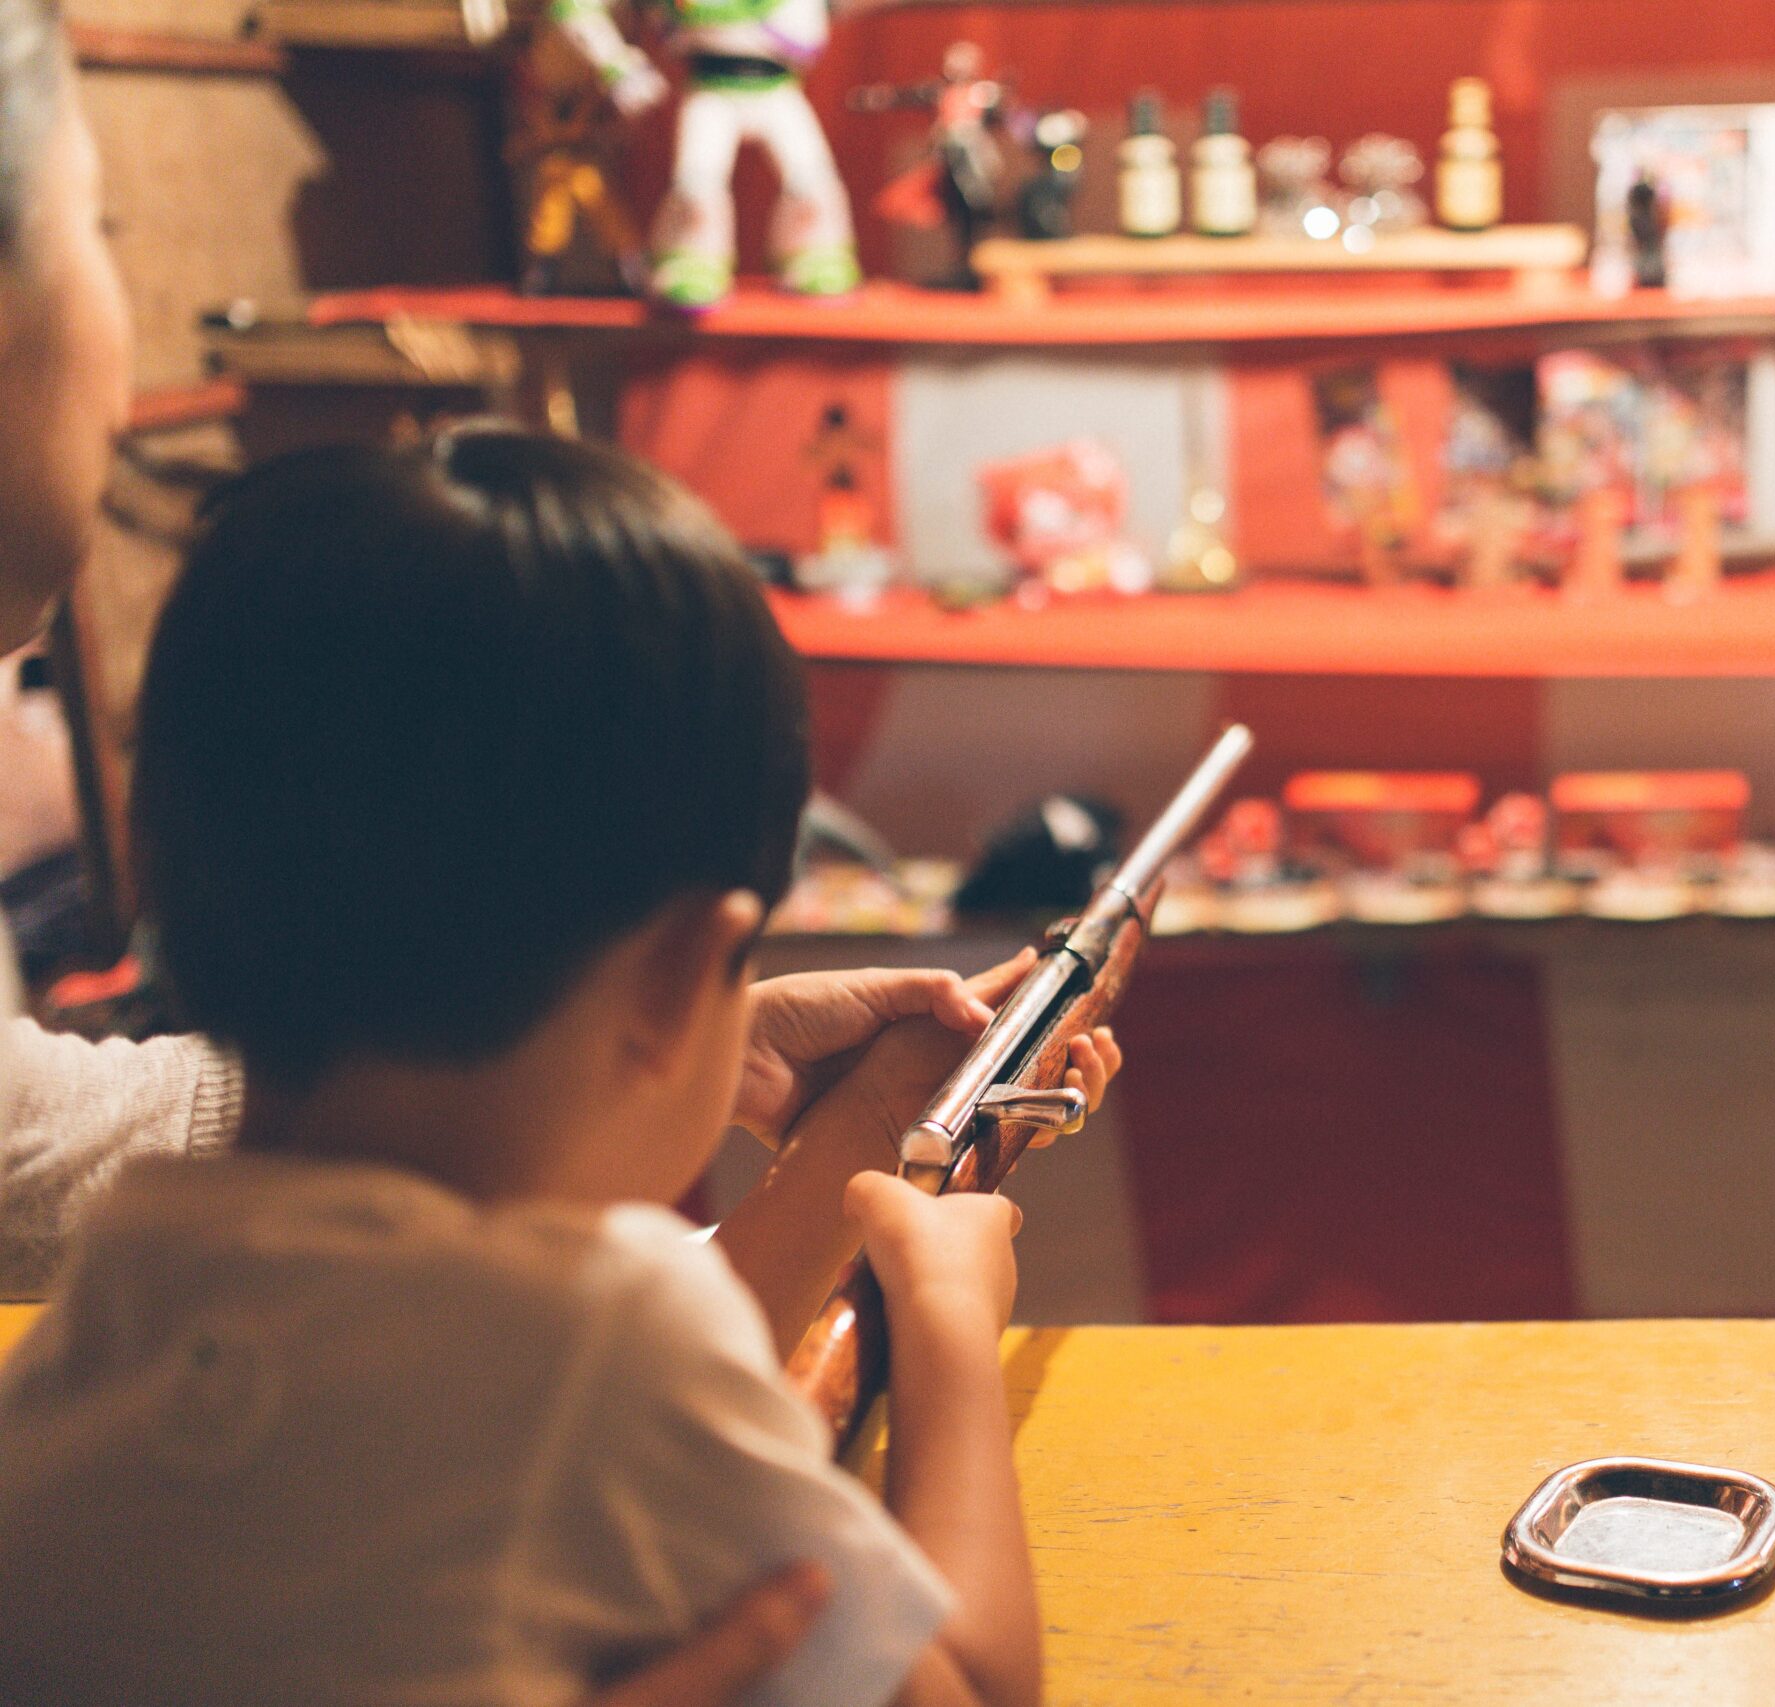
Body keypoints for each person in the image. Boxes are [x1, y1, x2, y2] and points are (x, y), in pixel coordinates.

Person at [0, 3, 1121, 1693]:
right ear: (680, 973)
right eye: (96, 226)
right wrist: (949, 1319)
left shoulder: (112, 1300)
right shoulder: (609, 1339)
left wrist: (846, 1152)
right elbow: (965, 1687)